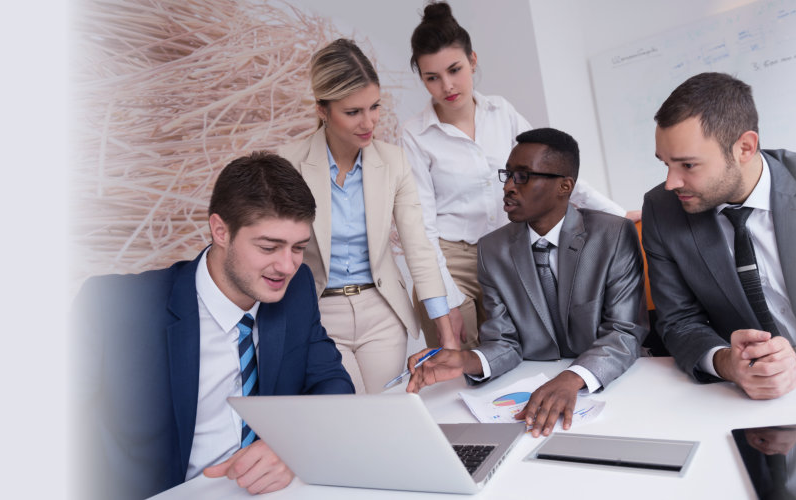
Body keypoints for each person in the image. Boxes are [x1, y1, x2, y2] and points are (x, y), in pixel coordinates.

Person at [76, 152, 354, 499]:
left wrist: (293, 444)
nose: (286, 266)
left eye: (298, 247)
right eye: (269, 246)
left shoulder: (296, 290)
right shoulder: (115, 307)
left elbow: (333, 383)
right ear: (220, 231)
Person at [400, 1, 627, 351]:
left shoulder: (501, 112)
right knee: (460, 363)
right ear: (422, 78)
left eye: (455, 69)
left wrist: (619, 216)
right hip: (449, 257)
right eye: (432, 77)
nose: (447, 85)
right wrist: (445, 298)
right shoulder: (414, 135)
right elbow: (421, 226)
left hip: (506, 248)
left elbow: (554, 175)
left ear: (472, 60)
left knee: (516, 353)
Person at [403, 127, 646, 437]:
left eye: (523, 176)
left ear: (564, 186)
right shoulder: (492, 249)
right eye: (508, 174)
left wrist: (572, 378)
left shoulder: (613, 235)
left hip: (609, 389)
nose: (508, 187)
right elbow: (505, 341)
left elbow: (624, 332)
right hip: (530, 397)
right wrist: (466, 361)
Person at [640, 72, 796, 400]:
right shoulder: (662, 209)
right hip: (746, 401)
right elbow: (678, 322)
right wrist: (726, 362)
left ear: (745, 147)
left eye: (687, 165)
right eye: (665, 164)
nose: (672, 182)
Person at [275, 38, 463, 392]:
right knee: (346, 409)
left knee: (384, 414)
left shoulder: (394, 162)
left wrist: (446, 332)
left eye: (374, 107)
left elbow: (418, 246)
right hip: (318, 313)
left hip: (381, 311)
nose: (368, 122)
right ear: (322, 109)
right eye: (353, 112)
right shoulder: (289, 164)